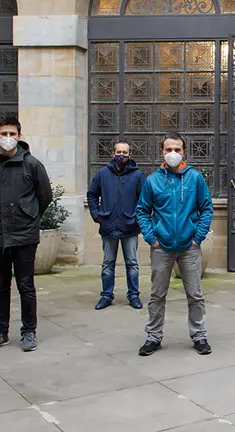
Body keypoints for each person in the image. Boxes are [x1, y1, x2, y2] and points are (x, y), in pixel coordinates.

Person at [0, 116, 52, 352]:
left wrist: (28, 216)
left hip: (24, 235)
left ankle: (29, 331)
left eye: (12, 134)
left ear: (19, 136)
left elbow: (45, 196)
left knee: (25, 285)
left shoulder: (32, 164)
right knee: (0, 285)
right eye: (4, 134)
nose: (8, 138)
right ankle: (1, 332)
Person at [136, 132, 214, 356]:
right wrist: (152, 239)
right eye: (168, 149)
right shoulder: (153, 181)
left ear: (184, 152)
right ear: (162, 151)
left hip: (189, 247)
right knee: (157, 295)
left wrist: (198, 237)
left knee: (195, 294)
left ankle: (199, 335)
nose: (173, 154)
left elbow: (206, 207)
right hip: (162, 247)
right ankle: (153, 336)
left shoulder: (195, 178)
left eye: (177, 150)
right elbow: (142, 210)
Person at [87, 141, 146, 310]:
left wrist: (137, 218)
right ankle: (106, 295)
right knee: (108, 263)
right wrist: (96, 215)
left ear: (130, 155)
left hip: (130, 226)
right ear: (113, 154)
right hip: (108, 225)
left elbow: (144, 200)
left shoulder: (137, 176)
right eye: (119, 152)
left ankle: (133, 295)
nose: (122, 155)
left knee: (132, 263)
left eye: (125, 152)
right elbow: (92, 194)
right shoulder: (102, 174)